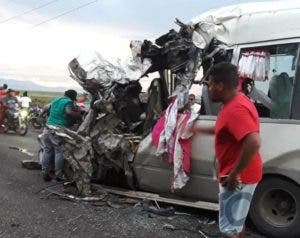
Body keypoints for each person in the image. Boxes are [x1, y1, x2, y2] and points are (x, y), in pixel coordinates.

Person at [192, 62, 262, 238]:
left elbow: (253, 141)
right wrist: (199, 130)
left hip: (239, 177)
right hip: (239, 174)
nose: (208, 89)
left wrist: (234, 174)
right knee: (236, 223)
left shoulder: (235, 109)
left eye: (210, 84)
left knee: (229, 228)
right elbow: (227, 129)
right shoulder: (235, 100)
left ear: (220, 86)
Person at [41, 89, 82, 182]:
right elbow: (68, 112)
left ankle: (44, 172)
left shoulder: (56, 100)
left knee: (47, 150)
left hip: (47, 127)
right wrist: (78, 114)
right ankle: (58, 175)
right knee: (59, 151)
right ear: (72, 97)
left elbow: (48, 109)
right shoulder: (69, 102)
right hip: (57, 129)